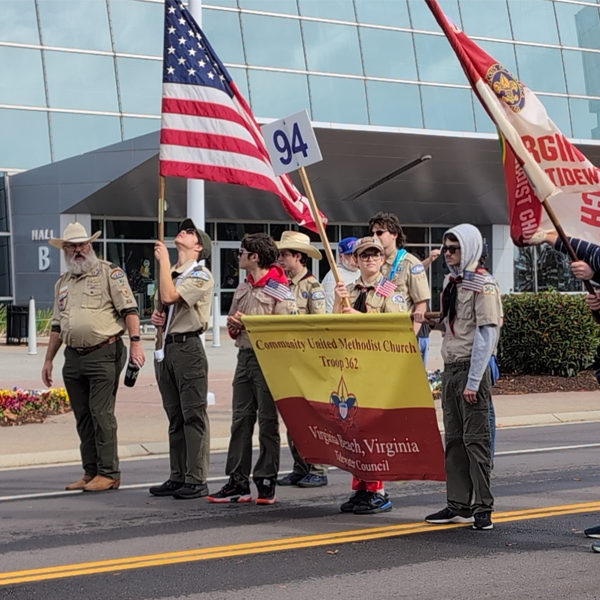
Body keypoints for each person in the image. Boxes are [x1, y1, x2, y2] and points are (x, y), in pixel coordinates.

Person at [42, 222, 145, 492]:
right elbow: (57, 324)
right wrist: (49, 359)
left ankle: (109, 472)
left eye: (82, 244)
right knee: (83, 416)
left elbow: (130, 310)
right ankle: (90, 471)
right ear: (64, 250)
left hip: (104, 351)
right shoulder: (62, 283)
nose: (77, 250)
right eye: (72, 246)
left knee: (101, 413)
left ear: (91, 245)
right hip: (73, 356)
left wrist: (136, 343)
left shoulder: (110, 273)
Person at [418, 224, 501, 531]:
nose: (448, 255)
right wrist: (423, 319)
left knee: (475, 441)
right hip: (451, 368)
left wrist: (474, 380)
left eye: (455, 249)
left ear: (471, 250)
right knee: (453, 440)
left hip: (470, 369)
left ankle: (482, 507)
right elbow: (453, 324)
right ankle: (458, 504)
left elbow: (486, 334)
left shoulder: (482, 284)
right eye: (447, 249)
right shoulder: (452, 283)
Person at [208, 233, 297, 506]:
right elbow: (235, 324)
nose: (239, 256)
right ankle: (238, 480)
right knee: (240, 420)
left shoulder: (279, 287)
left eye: (242, 251)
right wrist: (235, 327)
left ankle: (266, 479)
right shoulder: (244, 286)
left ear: (254, 256)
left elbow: (287, 327)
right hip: (244, 357)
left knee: (268, 421)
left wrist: (251, 323)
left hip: (268, 359)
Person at [333, 236, 409, 515]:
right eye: (364, 255)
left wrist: (358, 317)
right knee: (352, 429)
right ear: (356, 260)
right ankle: (361, 487)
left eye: (375, 254)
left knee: (373, 432)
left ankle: (378, 490)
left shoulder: (390, 290)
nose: (369, 260)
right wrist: (338, 305)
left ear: (382, 259)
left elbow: (397, 327)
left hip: (377, 368)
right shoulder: (348, 291)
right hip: (352, 369)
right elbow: (335, 329)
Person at [148, 219, 214, 500]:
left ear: (198, 247)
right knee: (174, 417)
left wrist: (163, 261)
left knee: (193, 415)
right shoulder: (171, 272)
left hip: (188, 349)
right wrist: (156, 319)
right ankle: (178, 474)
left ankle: (196, 477)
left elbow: (170, 295)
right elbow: (161, 305)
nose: (183, 233)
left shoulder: (200, 274)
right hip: (166, 348)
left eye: (190, 232)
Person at [275, 231, 329, 489]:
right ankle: (300, 465)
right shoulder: (281, 283)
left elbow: (317, 325)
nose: (281, 258)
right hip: (287, 358)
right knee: (292, 415)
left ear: (298, 256)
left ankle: (317, 468)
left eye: (285, 254)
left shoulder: (312, 287)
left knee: (310, 416)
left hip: (306, 359)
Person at [368, 212, 430, 334]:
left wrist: (410, 339)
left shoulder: (410, 263)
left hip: (400, 333)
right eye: (373, 233)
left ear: (394, 235)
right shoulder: (373, 262)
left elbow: (421, 306)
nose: (374, 237)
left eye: (379, 232)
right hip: (377, 333)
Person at [321, 237, 359, 313]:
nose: (355, 257)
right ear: (341, 257)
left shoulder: (362, 272)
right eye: (350, 254)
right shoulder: (333, 277)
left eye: (357, 253)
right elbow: (329, 309)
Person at [417, 249, 441, 366]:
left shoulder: (423, 294)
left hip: (425, 335)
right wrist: (429, 260)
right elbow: (415, 270)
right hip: (415, 336)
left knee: (423, 370)